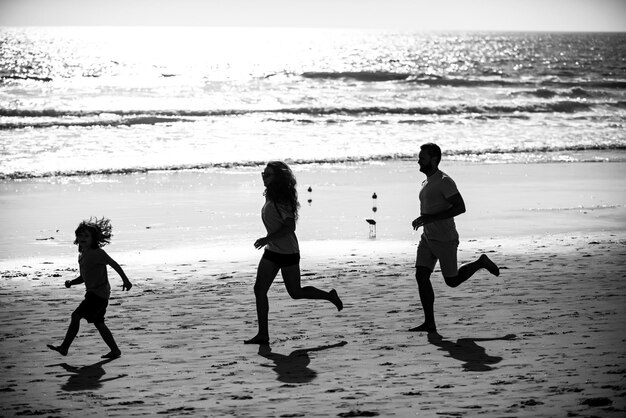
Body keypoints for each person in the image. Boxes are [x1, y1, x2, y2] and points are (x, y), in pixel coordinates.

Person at [245, 161, 343, 345]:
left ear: (278, 178)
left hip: (288, 252)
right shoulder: (270, 195)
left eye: (268, 175)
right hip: (272, 250)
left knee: (295, 292)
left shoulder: (282, 199)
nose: (264, 177)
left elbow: (290, 227)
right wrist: (269, 241)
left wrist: (267, 238)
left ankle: (330, 296)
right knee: (259, 289)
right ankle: (263, 334)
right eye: (263, 174)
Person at [410, 143, 500, 332]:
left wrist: (429, 218)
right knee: (421, 275)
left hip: (445, 239)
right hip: (428, 238)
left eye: (422, 157)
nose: (418, 160)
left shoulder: (444, 181)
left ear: (434, 159)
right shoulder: (426, 182)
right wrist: (424, 220)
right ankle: (429, 323)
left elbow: (460, 207)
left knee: (452, 281)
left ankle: (480, 262)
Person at [47, 217, 132, 358]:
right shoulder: (82, 255)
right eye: (80, 235)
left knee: (76, 316)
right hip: (97, 295)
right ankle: (115, 350)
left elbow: (114, 264)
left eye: (86, 235)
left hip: (98, 295)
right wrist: (71, 283)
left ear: (94, 238)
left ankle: (64, 347)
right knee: (99, 323)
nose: (82, 238)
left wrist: (126, 280)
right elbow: (83, 277)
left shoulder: (97, 253)